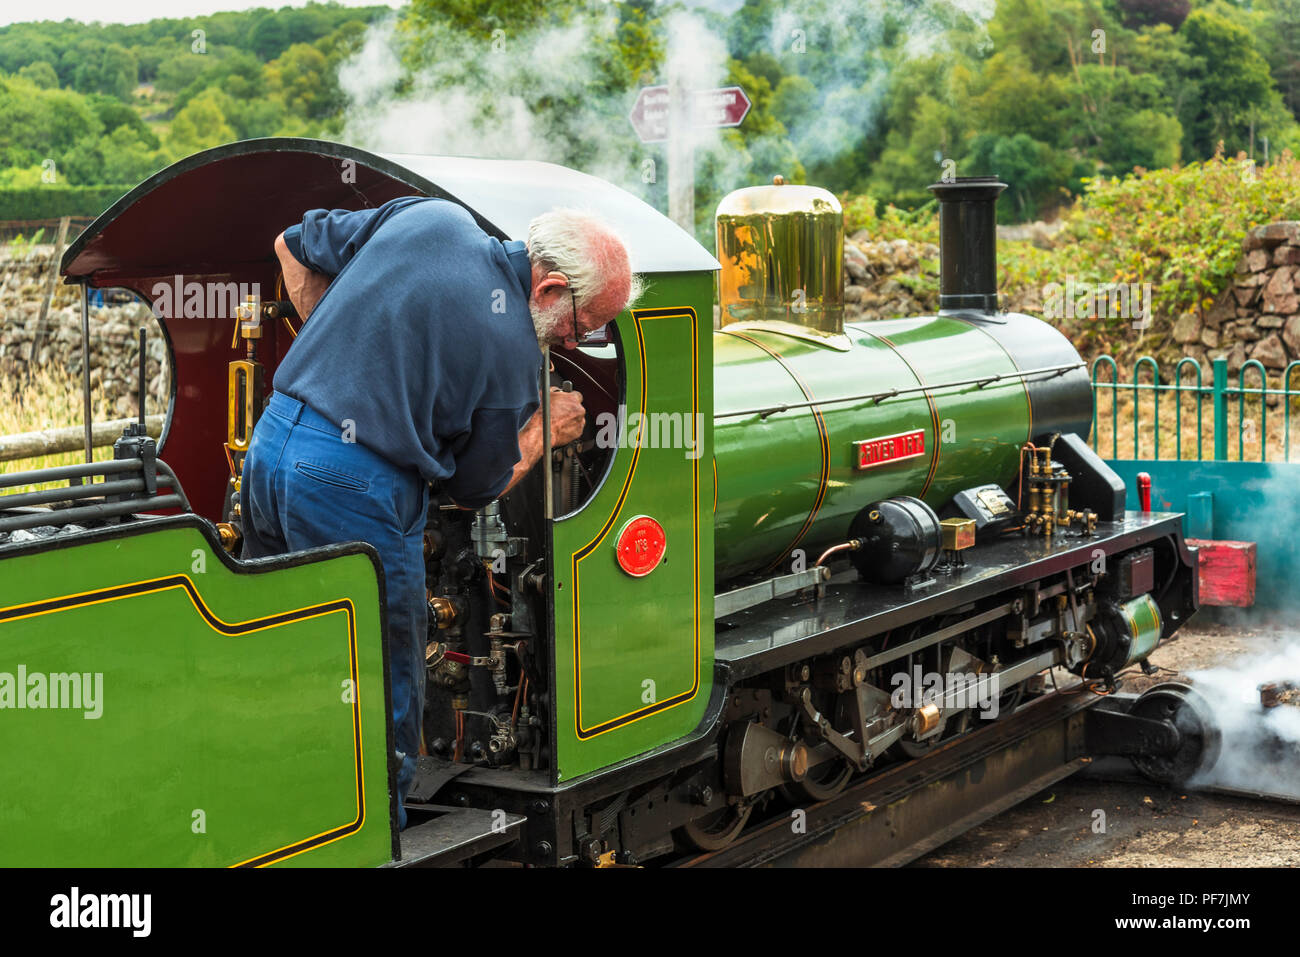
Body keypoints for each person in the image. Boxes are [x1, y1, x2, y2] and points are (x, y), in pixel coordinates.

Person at [240, 198, 639, 826]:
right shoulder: (511, 355)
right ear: (552, 286)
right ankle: (375, 835)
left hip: (269, 448)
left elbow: (291, 241)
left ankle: (269, 808)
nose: (577, 340)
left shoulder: (431, 218)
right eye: (583, 324)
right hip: (352, 485)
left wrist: (343, 359)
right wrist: (543, 433)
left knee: (277, 645)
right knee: (383, 674)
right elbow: (475, 490)